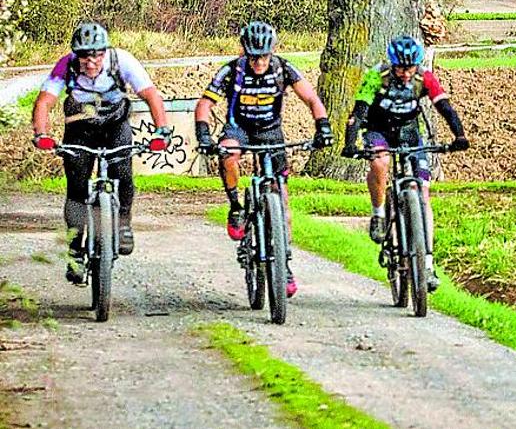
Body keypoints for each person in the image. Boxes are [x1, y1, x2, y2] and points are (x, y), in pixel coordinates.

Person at [193, 21, 333, 297]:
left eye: (263, 56)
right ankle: (236, 207)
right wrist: (204, 134)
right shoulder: (232, 70)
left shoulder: (283, 68)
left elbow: (312, 99)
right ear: (245, 51)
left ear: (272, 52)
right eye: (253, 56)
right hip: (239, 128)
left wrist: (323, 127)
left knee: (283, 202)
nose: (258, 62)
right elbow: (205, 104)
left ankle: (285, 264)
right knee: (228, 154)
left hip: (271, 131)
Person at [31, 22, 172, 284]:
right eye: (85, 55)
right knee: (76, 190)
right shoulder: (66, 65)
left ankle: (124, 223)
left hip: (115, 128)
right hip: (79, 132)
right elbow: (44, 102)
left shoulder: (122, 61)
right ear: (77, 54)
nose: (91, 61)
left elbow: (151, 95)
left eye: (96, 54)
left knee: (124, 176)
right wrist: (41, 134)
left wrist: (161, 130)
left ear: (105, 52)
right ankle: (74, 250)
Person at [342, 34, 469, 291]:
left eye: (410, 68)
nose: (405, 74)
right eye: (401, 68)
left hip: (410, 133)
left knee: (423, 192)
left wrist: (460, 135)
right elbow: (358, 113)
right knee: (380, 163)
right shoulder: (376, 76)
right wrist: (350, 143)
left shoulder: (424, 78)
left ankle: (428, 265)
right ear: (392, 64)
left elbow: (445, 107)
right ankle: (378, 213)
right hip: (379, 131)